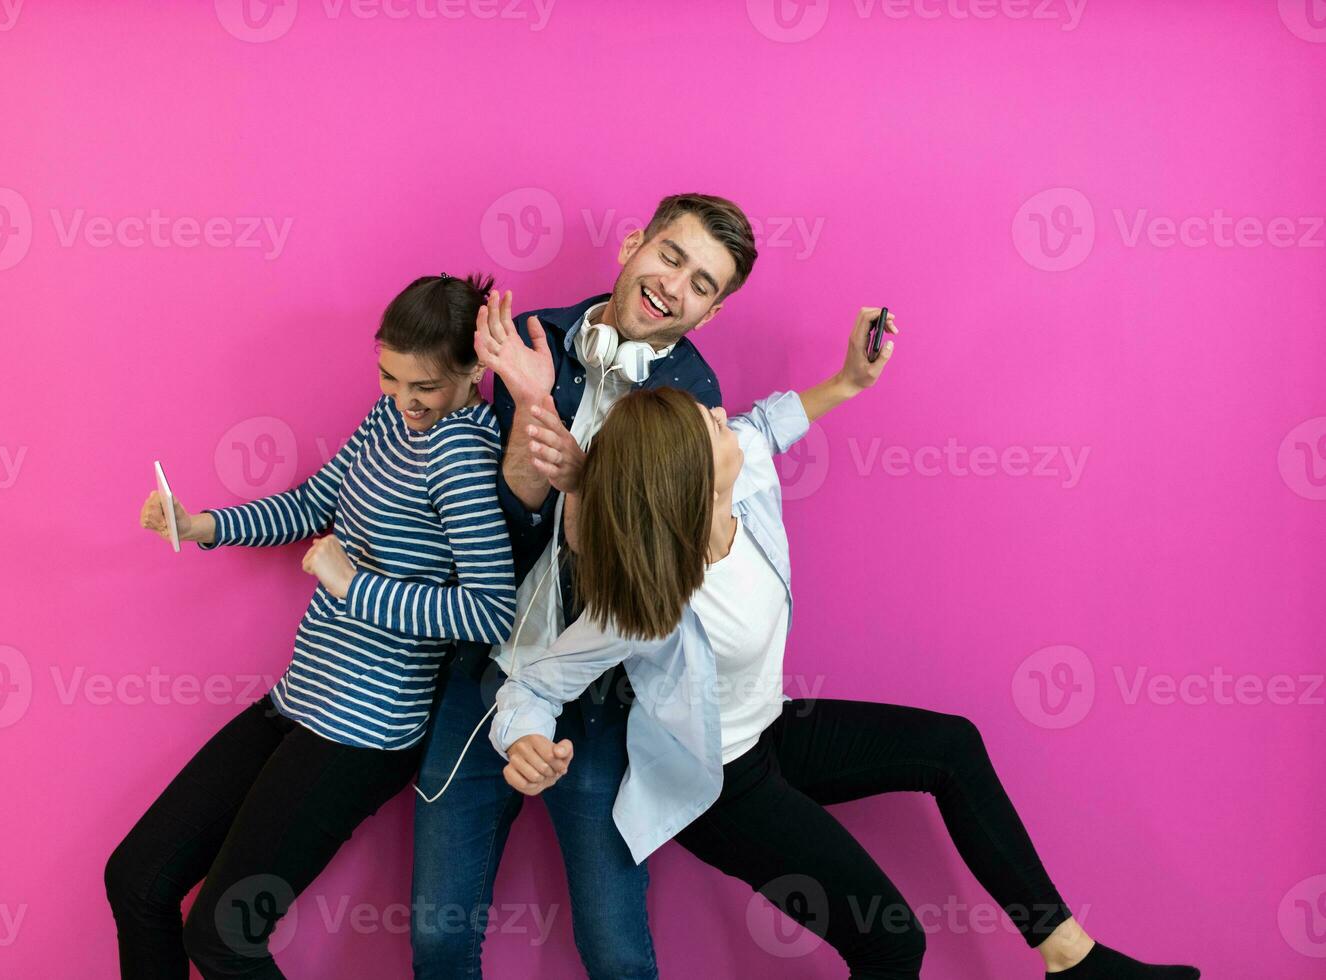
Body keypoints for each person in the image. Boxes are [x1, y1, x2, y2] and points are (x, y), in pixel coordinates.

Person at [491, 309, 1202, 980]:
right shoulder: (650, 603)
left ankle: (1072, 959)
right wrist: (523, 739)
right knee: (891, 938)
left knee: (951, 748)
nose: (721, 416)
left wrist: (849, 380)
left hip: (769, 729)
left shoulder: (741, 482)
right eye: (711, 425)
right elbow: (533, 684)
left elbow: (767, 424)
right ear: (690, 479)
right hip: (720, 788)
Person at [105, 272, 517, 979]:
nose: (406, 401)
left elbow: (490, 610)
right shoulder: (388, 417)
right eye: (391, 377)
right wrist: (201, 524)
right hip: (302, 699)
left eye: (427, 387)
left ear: (475, 369)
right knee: (138, 879)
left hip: (364, 730)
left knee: (224, 940)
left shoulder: (464, 456)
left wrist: (355, 585)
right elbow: (314, 503)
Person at [410, 193, 757, 979]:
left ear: (709, 314)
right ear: (635, 244)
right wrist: (528, 448)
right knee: (437, 936)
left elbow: (651, 578)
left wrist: (583, 484)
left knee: (616, 952)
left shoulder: (694, 407)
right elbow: (481, 531)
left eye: (702, 284)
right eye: (671, 255)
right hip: (483, 666)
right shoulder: (533, 338)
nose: (675, 284)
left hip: (600, 694)